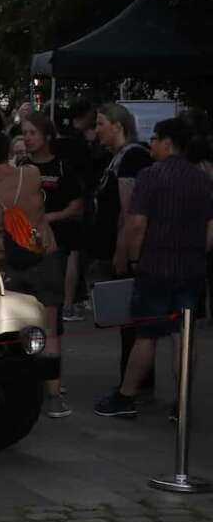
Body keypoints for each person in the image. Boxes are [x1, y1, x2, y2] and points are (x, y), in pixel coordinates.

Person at [95, 117, 213, 417]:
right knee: (183, 337)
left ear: (167, 143)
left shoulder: (150, 176)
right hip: (191, 267)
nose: (152, 144)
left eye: (156, 139)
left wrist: (132, 257)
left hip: (155, 265)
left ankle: (126, 396)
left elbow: (136, 224)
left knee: (146, 334)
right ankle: (181, 403)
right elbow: (210, 227)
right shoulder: (202, 179)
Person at [0, 129, 69, 417]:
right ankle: (54, 398)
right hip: (44, 254)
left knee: (14, 328)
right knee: (50, 329)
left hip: (9, 260)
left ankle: (19, 390)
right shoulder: (30, 175)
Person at [86, 103, 154, 388]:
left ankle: (133, 382)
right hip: (115, 247)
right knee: (128, 320)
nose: (96, 130)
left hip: (128, 251)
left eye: (101, 124)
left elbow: (129, 212)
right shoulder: (117, 158)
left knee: (133, 322)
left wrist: (122, 253)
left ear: (118, 126)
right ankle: (136, 379)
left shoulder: (132, 157)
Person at [20, 114, 86, 321]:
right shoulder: (20, 167)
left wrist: (51, 217)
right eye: (24, 134)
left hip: (58, 237)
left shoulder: (62, 167)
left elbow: (77, 205)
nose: (28, 138)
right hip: (26, 237)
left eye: (33, 133)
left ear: (47, 136)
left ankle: (65, 306)